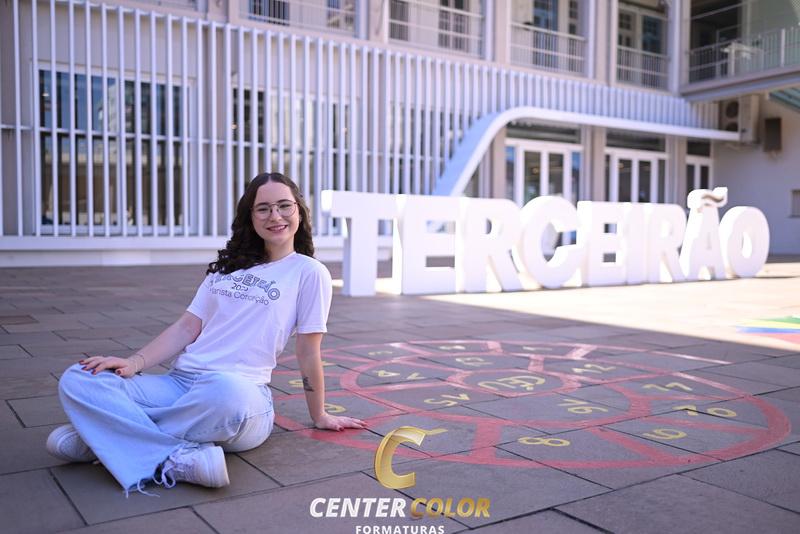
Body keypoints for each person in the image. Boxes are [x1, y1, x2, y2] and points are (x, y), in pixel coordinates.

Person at [45, 172, 366, 495]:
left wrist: (319, 414)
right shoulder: (228, 267)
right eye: (263, 208)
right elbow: (187, 326)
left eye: (284, 206)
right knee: (80, 377)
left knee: (225, 391)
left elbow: (308, 351)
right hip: (179, 386)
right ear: (250, 216)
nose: (275, 216)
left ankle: (104, 437)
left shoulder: (309, 272)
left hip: (240, 397)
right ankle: (175, 457)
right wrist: (134, 363)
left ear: (299, 210)